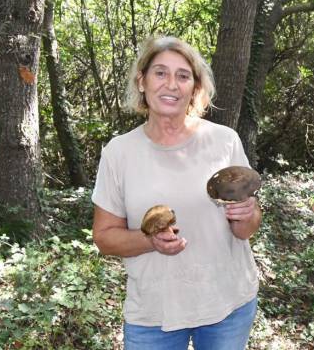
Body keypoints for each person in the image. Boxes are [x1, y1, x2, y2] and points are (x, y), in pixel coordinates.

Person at [91, 36, 261, 350]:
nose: (171, 84)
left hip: (226, 305)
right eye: (160, 73)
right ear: (142, 81)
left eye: (183, 76)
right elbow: (103, 237)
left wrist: (247, 215)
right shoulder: (120, 153)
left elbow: (247, 228)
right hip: (155, 313)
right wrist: (148, 241)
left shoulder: (224, 141)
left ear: (195, 88)